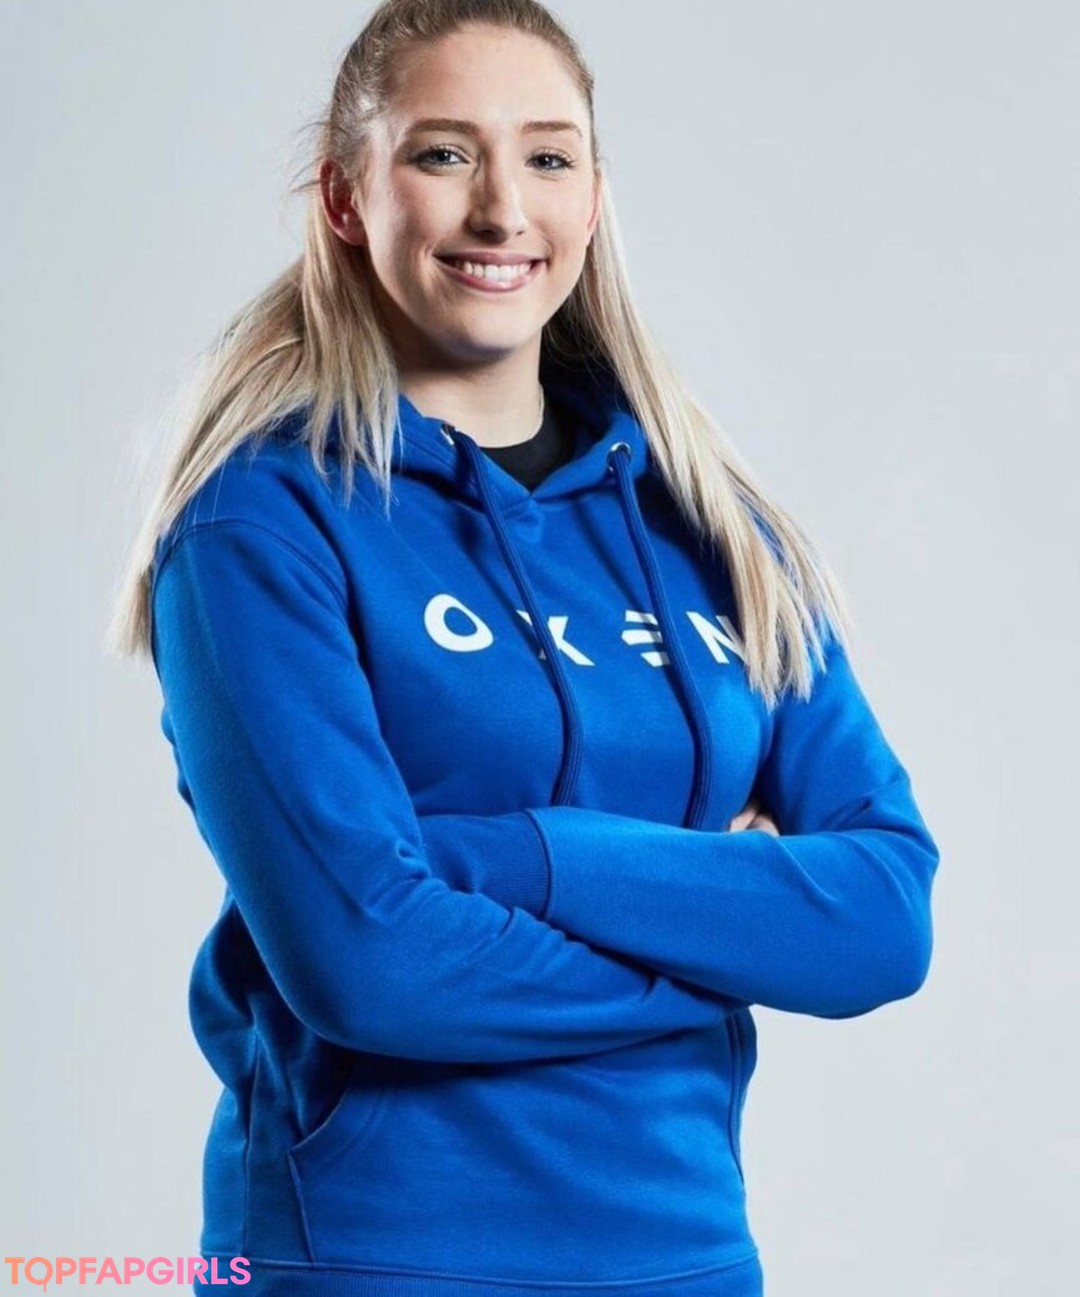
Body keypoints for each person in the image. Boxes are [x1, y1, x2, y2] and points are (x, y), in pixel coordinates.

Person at [107, 1, 941, 1294]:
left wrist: (503, 859)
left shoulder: (714, 525)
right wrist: (733, 930)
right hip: (375, 1262)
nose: (503, 210)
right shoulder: (257, 527)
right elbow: (371, 966)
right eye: (444, 154)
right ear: (345, 197)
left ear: (594, 198)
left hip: (685, 1259)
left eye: (548, 156)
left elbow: (884, 918)